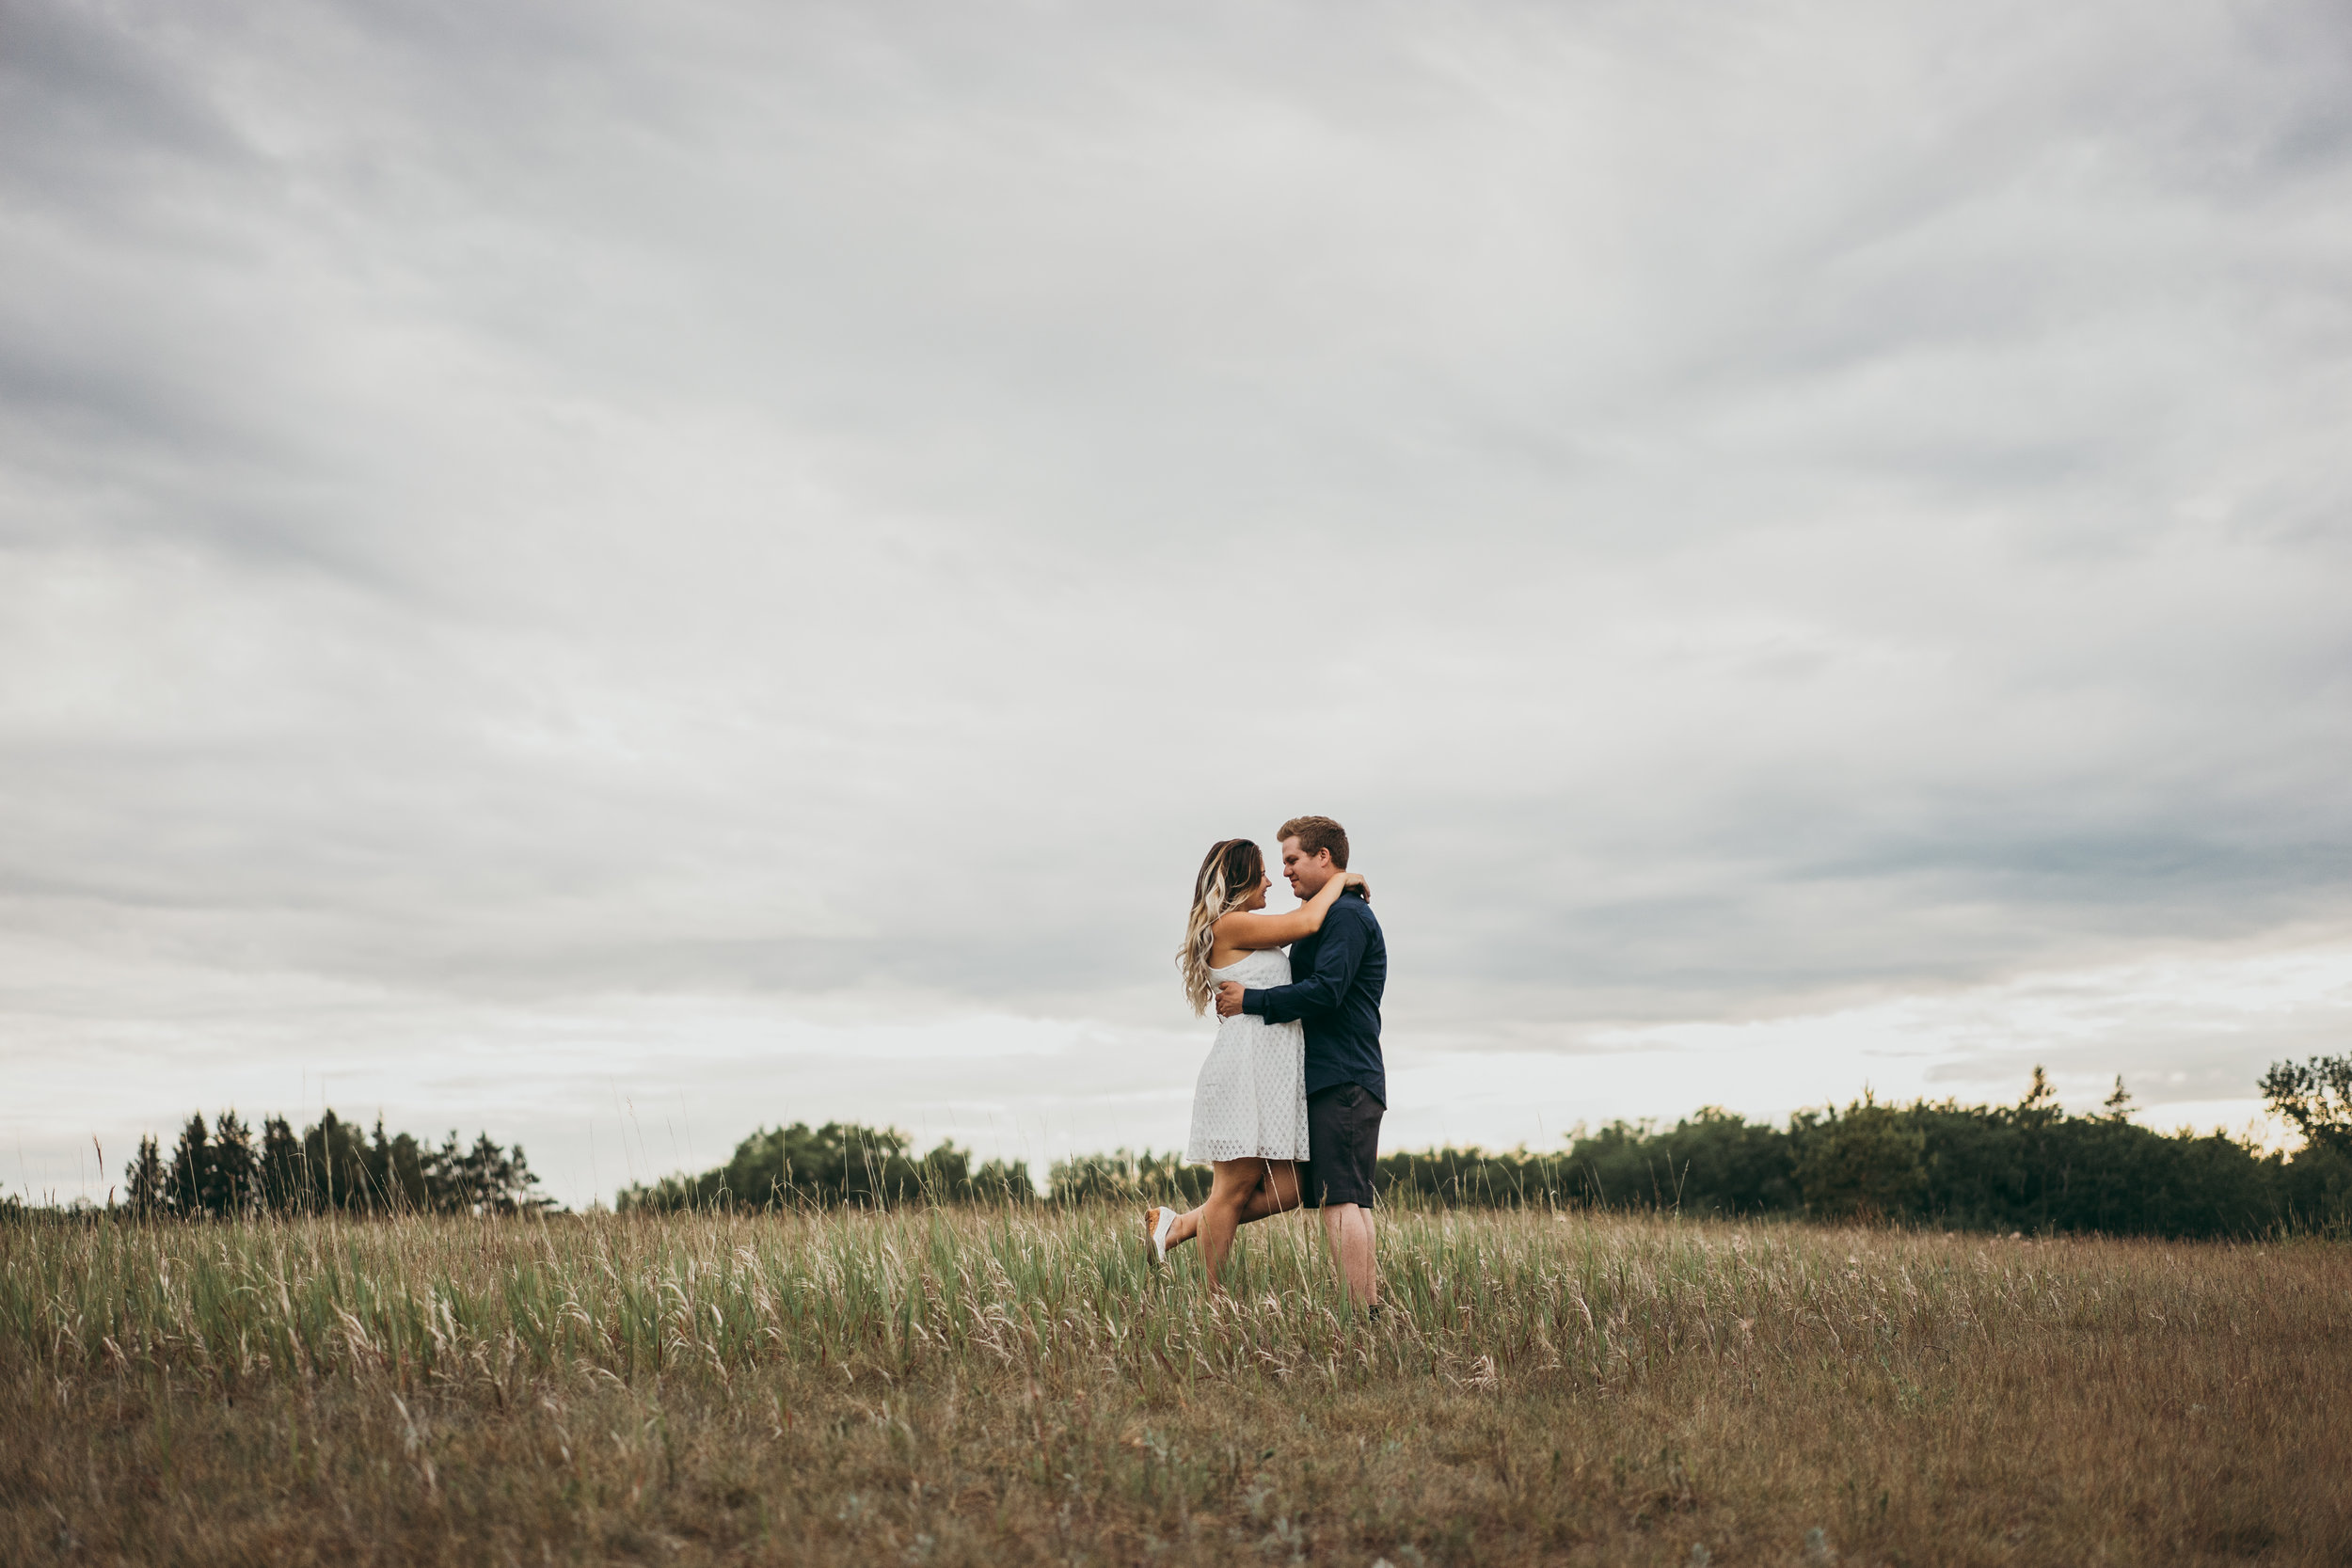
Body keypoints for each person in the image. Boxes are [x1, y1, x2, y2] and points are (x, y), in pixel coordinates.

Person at [1150, 816, 1389, 1316]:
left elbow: (1309, 948)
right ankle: (1213, 1304)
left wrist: (1340, 882)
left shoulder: (1295, 924)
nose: (1274, 879)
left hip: (1282, 1074)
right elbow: (1302, 926)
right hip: (1245, 1070)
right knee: (1235, 1191)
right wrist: (1343, 880)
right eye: (1265, 871)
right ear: (1238, 881)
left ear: (1322, 855)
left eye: (1288, 861)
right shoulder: (1234, 925)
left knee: (1293, 1187)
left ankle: (1178, 1225)